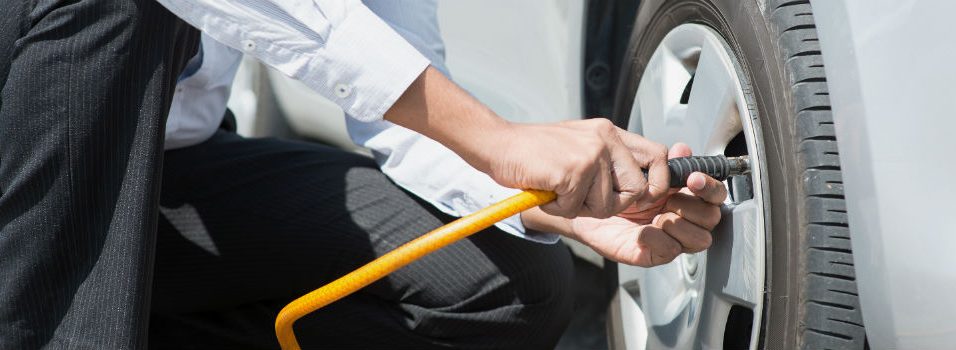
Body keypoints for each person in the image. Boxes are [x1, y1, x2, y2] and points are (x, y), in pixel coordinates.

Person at [0, 0, 725, 348]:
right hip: (26, 165)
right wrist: (495, 136)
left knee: (506, 284)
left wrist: (549, 205)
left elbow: (399, 102)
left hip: (168, 180)